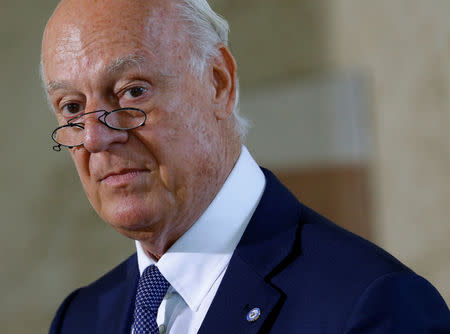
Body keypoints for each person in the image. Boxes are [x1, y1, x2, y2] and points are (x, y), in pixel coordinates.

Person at [41, 0, 449, 333]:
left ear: (219, 82)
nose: (95, 137)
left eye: (133, 91)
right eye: (73, 108)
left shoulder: (374, 306)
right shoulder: (79, 318)